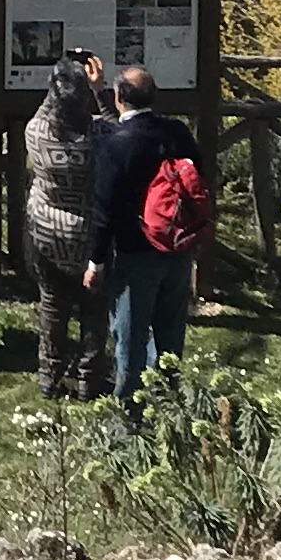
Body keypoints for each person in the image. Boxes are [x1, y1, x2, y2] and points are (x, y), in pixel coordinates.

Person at [78, 61, 201, 415]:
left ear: (119, 98)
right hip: (177, 248)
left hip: (136, 252)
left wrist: (95, 261)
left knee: (130, 338)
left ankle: (130, 416)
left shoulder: (115, 144)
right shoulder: (177, 133)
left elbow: (104, 211)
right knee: (170, 333)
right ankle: (168, 408)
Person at [20, 52, 110, 399]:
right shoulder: (98, 137)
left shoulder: (37, 133)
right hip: (89, 234)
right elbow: (118, 127)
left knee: (53, 306)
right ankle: (89, 377)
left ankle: (49, 376)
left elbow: (47, 107)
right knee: (94, 309)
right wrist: (99, 90)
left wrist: (60, 78)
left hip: (47, 232)